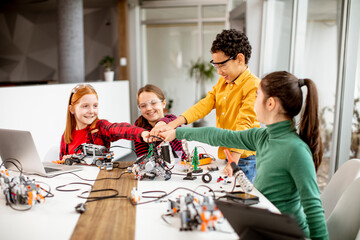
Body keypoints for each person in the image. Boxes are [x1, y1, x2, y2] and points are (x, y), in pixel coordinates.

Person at [160, 71, 329, 239]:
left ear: (270, 103)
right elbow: (221, 136)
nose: (253, 102)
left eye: (257, 96)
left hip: (285, 233)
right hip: (264, 224)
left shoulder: (296, 150)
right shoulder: (263, 137)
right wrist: (178, 132)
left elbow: (314, 210)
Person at [151, 29, 260, 182]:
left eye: (222, 65)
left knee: (241, 198)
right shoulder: (224, 82)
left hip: (243, 158)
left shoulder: (253, 85)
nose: (219, 72)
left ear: (240, 59)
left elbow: (245, 126)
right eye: (216, 66)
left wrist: (233, 161)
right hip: (228, 154)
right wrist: (173, 125)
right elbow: (205, 104)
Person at [59, 84, 150, 161]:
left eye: (95, 106)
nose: (91, 111)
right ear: (71, 109)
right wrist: (66, 161)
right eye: (85, 106)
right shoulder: (66, 136)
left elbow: (118, 129)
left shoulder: (99, 127)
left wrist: (141, 133)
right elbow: (61, 164)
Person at [135, 84, 186, 159]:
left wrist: (160, 124)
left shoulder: (173, 120)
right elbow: (142, 155)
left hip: (180, 165)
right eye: (143, 105)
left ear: (163, 103)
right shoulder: (139, 125)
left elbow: (171, 121)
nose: (149, 108)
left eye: (153, 103)